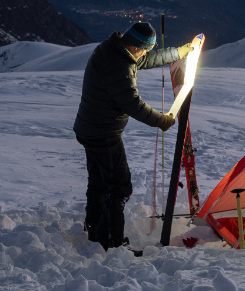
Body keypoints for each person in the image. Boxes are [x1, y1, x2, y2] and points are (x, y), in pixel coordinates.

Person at [73, 21, 201, 250]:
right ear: (135, 45)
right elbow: (133, 104)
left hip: (90, 129)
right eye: (144, 49)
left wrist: (178, 52)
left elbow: (146, 60)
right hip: (104, 134)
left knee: (100, 183)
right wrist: (163, 120)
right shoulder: (118, 67)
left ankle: (95, 229)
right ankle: (111, 241)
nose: (145, 54)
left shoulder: (115, 49)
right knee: (120, 187)